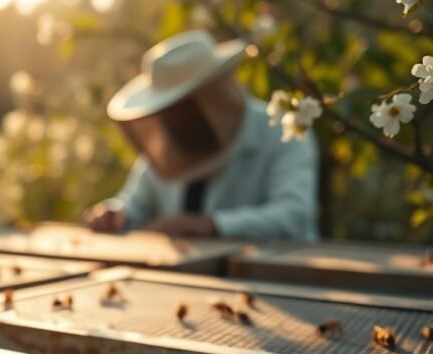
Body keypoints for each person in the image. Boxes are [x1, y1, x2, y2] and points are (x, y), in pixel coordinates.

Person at [84, 30, 319, 241]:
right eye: (168, 111)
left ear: (216, 96)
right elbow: (134, 204)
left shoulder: (283, 131)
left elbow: (294, 215)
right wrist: (113, 212)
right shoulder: (168, 144)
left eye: (183, 108)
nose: (177, 121)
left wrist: (211, 225)